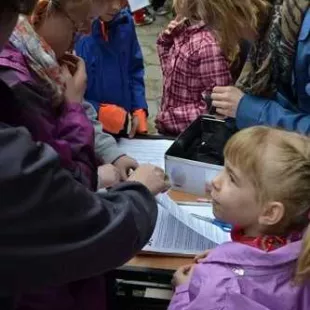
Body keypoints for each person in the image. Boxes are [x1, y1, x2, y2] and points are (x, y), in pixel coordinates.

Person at [0, 0, 168, 309]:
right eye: (77, 26)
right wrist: (140, 191)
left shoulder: (41, 63)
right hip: (45, 288)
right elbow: (69, 192)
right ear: (43, 11)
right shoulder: (18, 85)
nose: (80, 36)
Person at [169, 126, 310, 310]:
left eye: (232, 178)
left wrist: (183, 290)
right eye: (224, 168)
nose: (215, 181)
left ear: (269, 213)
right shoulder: (302, 248)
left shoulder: (220, 286)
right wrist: (231, 255)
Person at [155, 0, 267, 135]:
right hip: (171, 126)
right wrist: (166, 41)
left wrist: (169, 118)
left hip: (189, 134)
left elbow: (215, 109)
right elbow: (170, 72)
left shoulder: (208, 46)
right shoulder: (185, 28)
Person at [211, 1, 310, 135]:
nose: (218, 36)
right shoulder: (272, 26)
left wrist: (249, 110)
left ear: (237, 10)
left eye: (216, 22)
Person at [75, 0, 149, 138]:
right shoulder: (76, 31)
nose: (115, 6)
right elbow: (63, 93)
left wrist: (138, 106)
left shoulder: (125, 22)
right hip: (88, 129)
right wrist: (98, 111)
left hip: (121, 124)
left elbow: (134, 68)